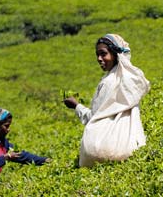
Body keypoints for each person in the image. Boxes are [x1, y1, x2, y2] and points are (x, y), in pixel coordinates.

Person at [64, 34, 150, 167]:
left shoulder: (108, 82)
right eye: (97, 55)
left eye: (103, 54)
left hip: (98, 151)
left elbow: (93, 117)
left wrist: (76, 106)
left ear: (115, 54)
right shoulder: (130, 78)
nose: (99, 59)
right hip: (129, 148)